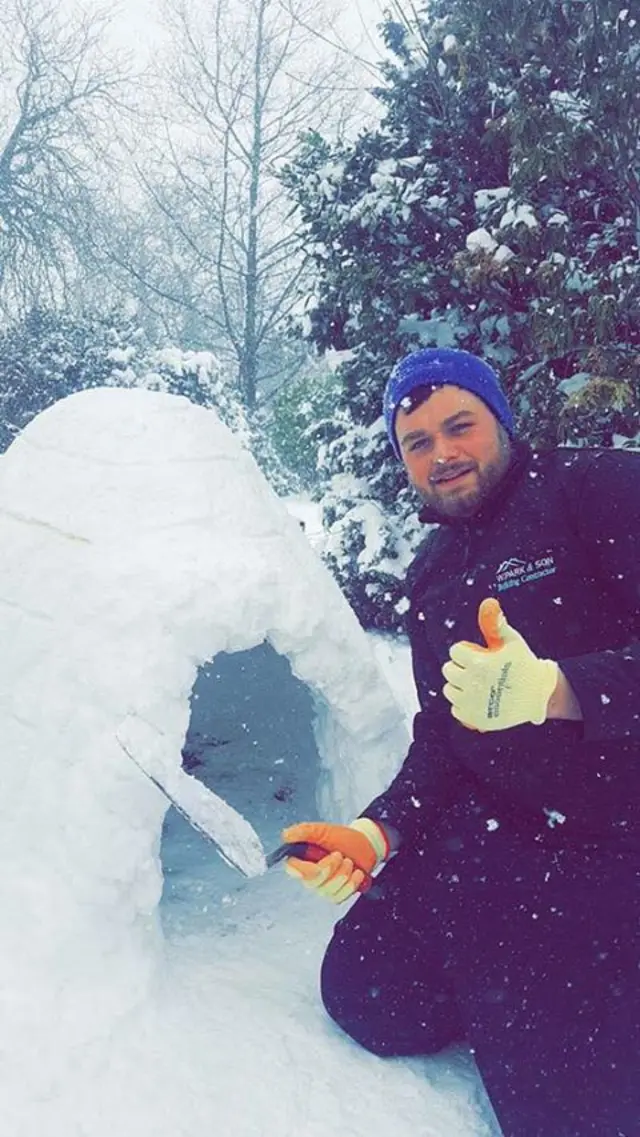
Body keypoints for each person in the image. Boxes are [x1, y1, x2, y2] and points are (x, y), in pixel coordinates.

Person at [282, 346, 640, 1137]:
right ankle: (521, 994)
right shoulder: (435, 573)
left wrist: (557, 687)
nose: (442, 453)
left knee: (574, 1116)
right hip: (496, 838)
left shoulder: (596, 489)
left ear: (499, 420)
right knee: (368, 994)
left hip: (616, 839)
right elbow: (445, 736)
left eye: (460, 426)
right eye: (417, 442)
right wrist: (378, 830)